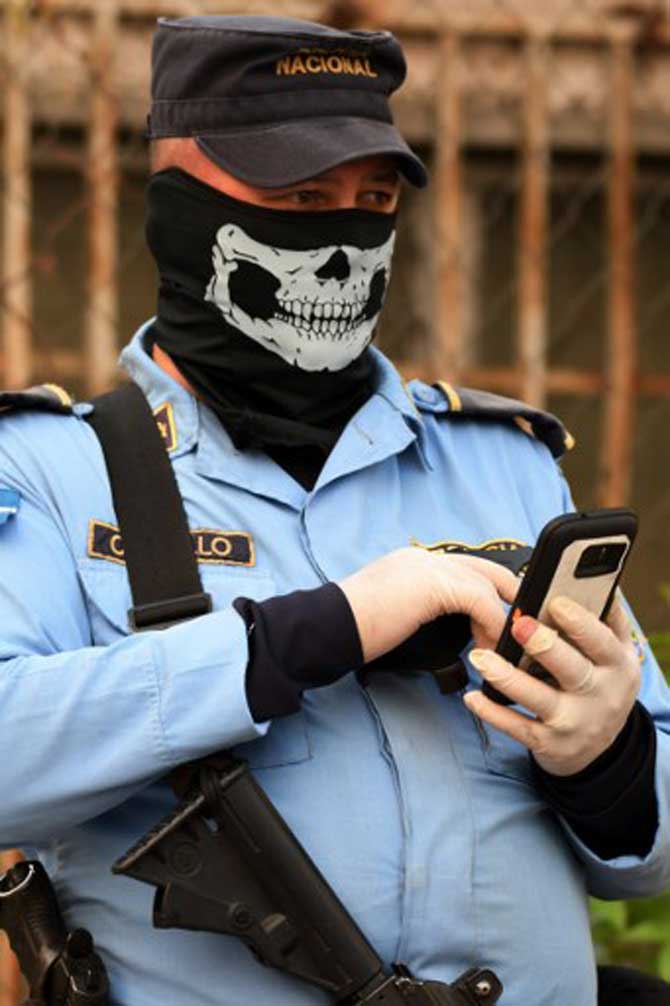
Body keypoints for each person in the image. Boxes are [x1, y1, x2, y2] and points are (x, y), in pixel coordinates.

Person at [0, 15, 669, 1006]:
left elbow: (646, 865)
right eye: (298, 197)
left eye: (372, 198)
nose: (342, 235)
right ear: (176, 208)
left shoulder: (505, 466)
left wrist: (608, 759)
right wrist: (312, 633)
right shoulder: (50, 471)